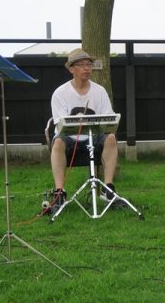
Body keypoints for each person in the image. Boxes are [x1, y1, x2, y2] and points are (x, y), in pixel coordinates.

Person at [49, 48, 120, 214]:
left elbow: (108, 118)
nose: (87, 68)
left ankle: (107, 189)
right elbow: (60, 125)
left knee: (110, 138)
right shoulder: (60, 93)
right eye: (81, 65)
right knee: (58, 141)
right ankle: (59, 192)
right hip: (70, 140)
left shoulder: (99, 91)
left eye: (89, 64)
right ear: (71, 69)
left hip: (94, 138)